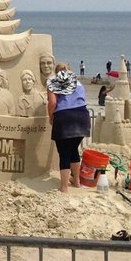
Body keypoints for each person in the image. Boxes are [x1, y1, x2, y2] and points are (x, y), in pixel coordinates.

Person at [46, 62, 91, 193]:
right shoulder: (78, 82)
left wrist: (50, 116)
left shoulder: (53, 82)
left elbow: (52, 102)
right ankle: (76, 181)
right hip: (82, 116)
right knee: (73, 149)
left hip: (65, 117)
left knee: (64, 152)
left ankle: (64, 187)